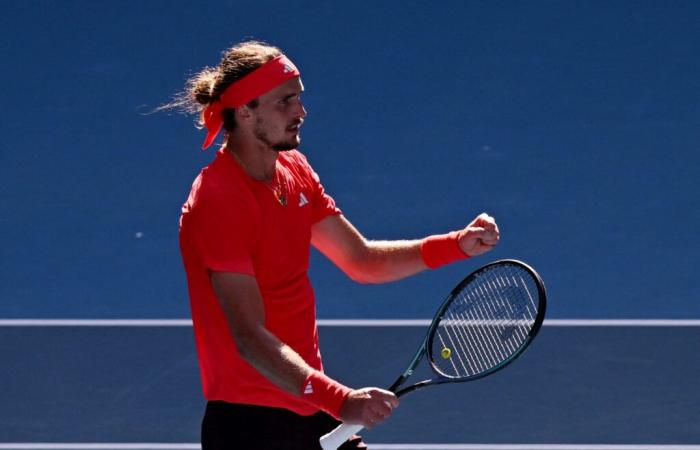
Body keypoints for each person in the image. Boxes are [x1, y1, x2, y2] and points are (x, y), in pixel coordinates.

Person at [176, 41, 500, 450]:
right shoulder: (219, 201)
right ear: (245, 111)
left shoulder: (294, 169)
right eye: (285, 101)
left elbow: (360, 259)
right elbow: (249, 337)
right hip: (250, 424)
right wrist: (341, 399)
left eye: (299, 98)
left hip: (308, 402)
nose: (300, 112)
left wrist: (455, 246)